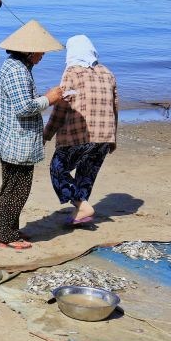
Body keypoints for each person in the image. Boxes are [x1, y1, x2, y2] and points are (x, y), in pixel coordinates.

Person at [0, 20, 64, 249]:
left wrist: (47, 98)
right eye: (41, 51)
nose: (42, 55)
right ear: (29, 51)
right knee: (16, 190)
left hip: (12, 139)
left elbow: (22, 103)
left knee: (12, 188)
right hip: (16, 140)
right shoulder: (17, 70)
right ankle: (6, 235)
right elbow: (23, 108)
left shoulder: (16, 67)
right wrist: (49, 98)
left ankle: (7, 230)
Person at [44, 35, 118, 225]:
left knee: (57, 168)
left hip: (79, 134)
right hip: (105, 134)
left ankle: (80, 204)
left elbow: (61, 106)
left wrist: (47, 133)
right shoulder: (107, 73)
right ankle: (81, 211)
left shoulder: (72, 72)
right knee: (87, 172)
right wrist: (113, 139)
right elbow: (114, 107)